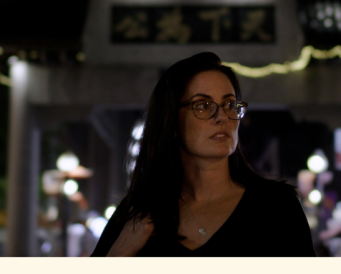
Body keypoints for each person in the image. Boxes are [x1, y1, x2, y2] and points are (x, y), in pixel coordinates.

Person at [92, 52, 315, 256]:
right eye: (203, 105)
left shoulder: (276, 208)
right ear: (172, 122)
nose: (222, 117)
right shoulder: (137, 214)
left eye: (229, 104)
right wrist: (119, 253)